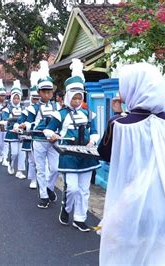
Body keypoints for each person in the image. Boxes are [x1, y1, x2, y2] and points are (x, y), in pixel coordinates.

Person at [97, 63, 165, 265]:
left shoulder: (119, 125)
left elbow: (104, 154)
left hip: (131, 203)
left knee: (126, 255)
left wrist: (118, 113)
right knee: (160, 254)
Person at [43, 59, 100, 232]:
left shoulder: (89, 113)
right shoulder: (60, 114)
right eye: (74, 98)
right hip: (68, 155)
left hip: (87, 155)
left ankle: (80, 218)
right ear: (68, 97)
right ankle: (66, 209)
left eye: (79, 98)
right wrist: (52, 135)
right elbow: (47, 130)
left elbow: (96, 131)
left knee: (84, 190)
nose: (76, 101)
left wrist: (93, 141)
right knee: (72, 189)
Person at [22, 61, 61, 208]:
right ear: (39, 93)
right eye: (44, 91)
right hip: (38, 140)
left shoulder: (58, 107)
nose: (47, 94)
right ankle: (43, 195)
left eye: (49, 91)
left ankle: (50, 188)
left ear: (52, 92)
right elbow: (28, 121)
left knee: (56, 168)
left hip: (53, 142)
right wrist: (25, 125)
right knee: (41, 169)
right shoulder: (34, 108)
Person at [18, 72, 41, 189]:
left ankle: (43, 182)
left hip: (42, 138)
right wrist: (21, 125)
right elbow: (20, 121)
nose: (36, 101)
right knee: (32, 160)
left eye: (38, 98)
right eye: (34, 98)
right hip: (30, 137)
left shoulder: (47, 108)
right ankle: (33, 179)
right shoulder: (27, 110)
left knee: (42, 162)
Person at [4, 80, 26, 179]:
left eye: (18, 98)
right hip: (12, 133)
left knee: (22, 153)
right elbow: (5, 121)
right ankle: (11, 163)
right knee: (14, 153)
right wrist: (12, 127)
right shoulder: (7, 109)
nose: (16, 100)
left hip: (22, 134)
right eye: (15, 98)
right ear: (12, 98)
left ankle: (20, 171)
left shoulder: (24, 109)